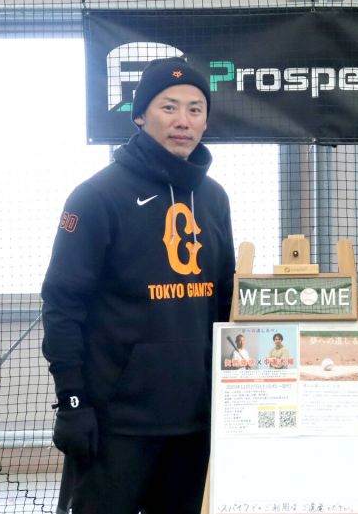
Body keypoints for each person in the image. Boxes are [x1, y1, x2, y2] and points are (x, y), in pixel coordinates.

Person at [41, 56, 236, 514]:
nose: (183, 121)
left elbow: (225, 301)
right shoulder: (96, 196)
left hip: (196, 423)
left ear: (206, 121)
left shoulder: (215, 198)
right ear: (140, 116)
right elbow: (62, 304)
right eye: (168, 107)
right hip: (117, 424)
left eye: (195, 109)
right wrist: (71, 401)